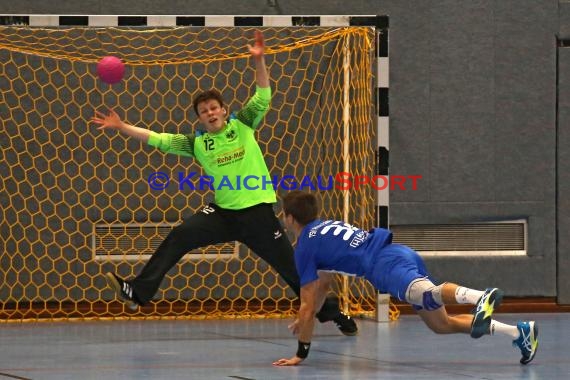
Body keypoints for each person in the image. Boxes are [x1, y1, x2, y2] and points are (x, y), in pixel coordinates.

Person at [90, 30, 357, 336]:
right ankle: (138, 293)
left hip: (257, 215)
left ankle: (335, 315)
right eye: (203, 112)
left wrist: (259, 60)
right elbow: (158, 139)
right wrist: (121, 126)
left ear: (223, 111)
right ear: (200, 119)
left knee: (294, 271)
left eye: (213, 108)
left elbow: (263, 94)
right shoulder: (197, 144)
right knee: (179, 235)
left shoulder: (243, 125)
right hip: (222, 214)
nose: (209, 113)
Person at [272, 190, 539, 366]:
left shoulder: (306, 246)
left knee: (425, 294)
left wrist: (300, 353)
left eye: (282, 214)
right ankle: (518, 332)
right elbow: (323, 286)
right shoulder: (325, 227)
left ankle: (481, 296)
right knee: (441, 324)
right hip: (397, 253)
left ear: (289, 217)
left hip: (383, 266)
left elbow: (308, 305)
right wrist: (304, 316)